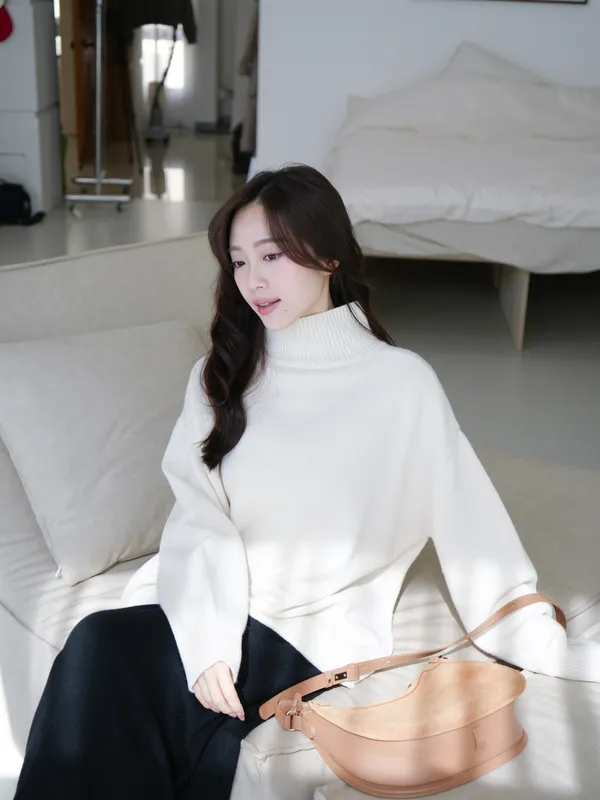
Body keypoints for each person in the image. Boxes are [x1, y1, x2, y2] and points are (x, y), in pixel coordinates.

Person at [14, 165, 600, 800]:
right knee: (103, 652)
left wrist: (554, 651)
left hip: (307, 636)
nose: (253, 280)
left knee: (117, 674)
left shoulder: (401, 385)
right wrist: (208, 638)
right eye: (240, 261)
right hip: (207, 605)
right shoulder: (221, 375)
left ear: (328, 255)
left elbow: (473, 533)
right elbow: (198, 515)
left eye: (272, 255)